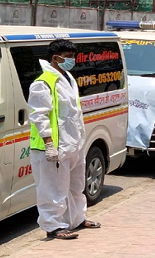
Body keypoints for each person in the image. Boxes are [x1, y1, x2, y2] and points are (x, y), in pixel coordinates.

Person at [28, 39, 101, 240]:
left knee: (75, 186)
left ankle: (76, 218)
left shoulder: (68, 78)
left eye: (72, 56)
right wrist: (49, 143)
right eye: (67, 57)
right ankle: (53, 226)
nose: (71, 61)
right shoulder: (43, 83)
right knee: (52, 188)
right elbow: (39, 116)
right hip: (54, 147)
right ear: (55, 58)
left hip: (73, 143)